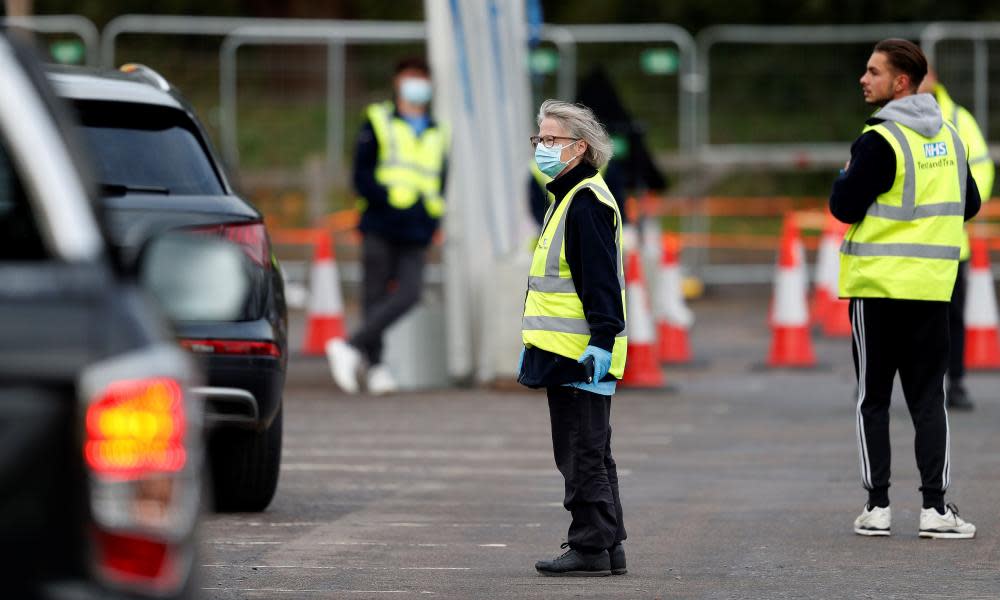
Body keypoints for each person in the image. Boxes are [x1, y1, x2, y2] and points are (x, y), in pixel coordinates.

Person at [830, 39, 980, 539]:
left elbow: (844, 207)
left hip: (876, 290)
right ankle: (936, 511)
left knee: (872, 398)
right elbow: (971, 202)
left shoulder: (880, 140)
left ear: (900, 83)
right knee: (927, 400)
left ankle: (877, 507)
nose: (862, 79)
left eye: (873, 72)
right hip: (931, 289)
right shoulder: (952, 137)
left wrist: (844, 178)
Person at [518, 100, 628, 576]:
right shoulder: (570, 196)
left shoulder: (584, 202)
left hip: (580, 352)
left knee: (580, 450)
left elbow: (599, 280)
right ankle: (608, 544)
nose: (541, 147)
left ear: (579, 147)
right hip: (570, 350)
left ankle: (589, 545)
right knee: (593, 449)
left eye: (550, 140)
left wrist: (602, 340)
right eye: (538, 139)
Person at [327, 58, 448, 395]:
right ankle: (376, 366)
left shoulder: (438, 129)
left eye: (422, 78)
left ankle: (350, 346)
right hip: (381, 222)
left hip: (418, 227)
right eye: (411, 78)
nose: (417, 85)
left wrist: (433, 218)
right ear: (397, 82)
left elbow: (440, 179)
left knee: (409, 293)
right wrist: (385, 201)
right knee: (374, 295)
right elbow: (361, 174)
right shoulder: (378, 119)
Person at [918, 70, 995, 411]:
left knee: (951, 319)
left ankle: (957, 382)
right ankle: (901, 385)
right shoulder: (888, 120)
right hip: (907, 247)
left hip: (950, 243)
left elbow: (980, 167)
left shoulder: (956, 118)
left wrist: (956, 208)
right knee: (906, 322)